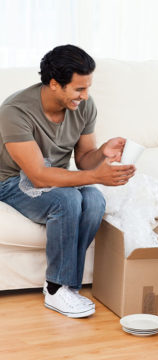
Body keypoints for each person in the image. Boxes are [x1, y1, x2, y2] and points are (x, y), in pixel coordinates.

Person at [0, 45, 135, 318]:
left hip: (57, 177)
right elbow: (37, 175)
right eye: (78, 89)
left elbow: (85, 159)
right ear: (54, 84)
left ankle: (68, 287)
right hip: (14, 181)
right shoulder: (14, 111)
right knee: (68, 198)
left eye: (87, 88)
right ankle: (54, 288)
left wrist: (103, 153)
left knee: (95, 199)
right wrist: (96, 176)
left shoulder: (84, 106)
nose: (84, 96)